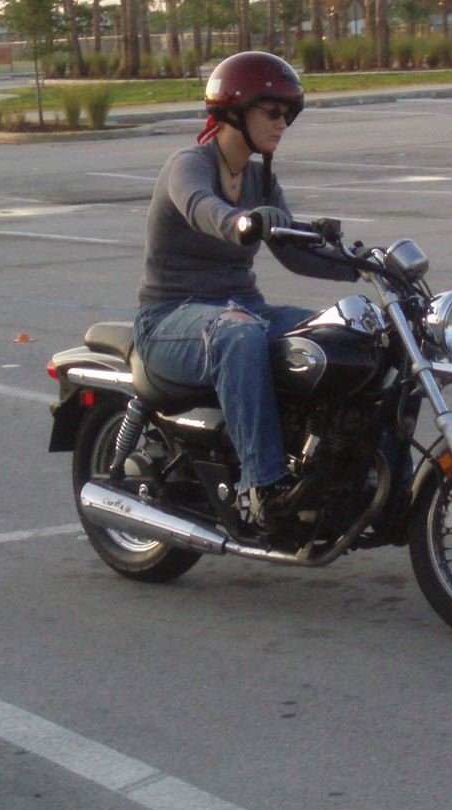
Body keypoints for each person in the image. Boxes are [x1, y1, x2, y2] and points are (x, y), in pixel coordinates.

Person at [133, 51, 359, 526]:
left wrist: (363, 265)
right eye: (273, 111)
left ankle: (343, 475)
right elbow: (201, 207)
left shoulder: (260, 179)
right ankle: (263, 486)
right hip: (170, 317)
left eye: (289, 115)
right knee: (238, 334)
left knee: (339, 334)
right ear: (234, 111)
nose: (282, 123)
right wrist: (241, 221)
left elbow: (296, 252)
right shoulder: (188, 164)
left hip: (242, 308)